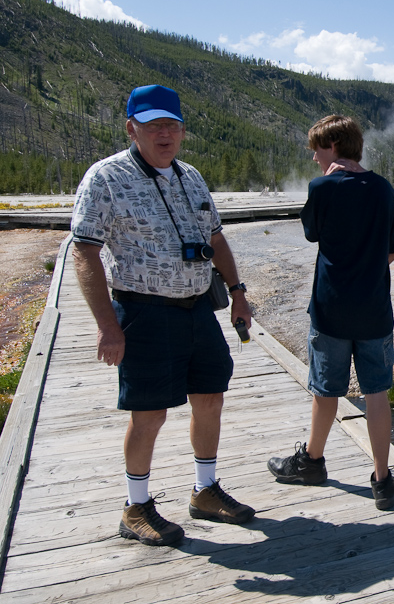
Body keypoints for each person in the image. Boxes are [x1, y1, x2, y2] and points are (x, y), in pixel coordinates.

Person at [70, 85, 255, 547]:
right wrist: (107, 326)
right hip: (143, 312)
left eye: (171, 124)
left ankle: (205, 491)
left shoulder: (190, 176)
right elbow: (85, 251)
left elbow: (215, 239)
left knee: (210, 397)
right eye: (153, 125)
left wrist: (237, 293)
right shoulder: (105, 177)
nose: (164, 133)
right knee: (149, 412)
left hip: (198, 311)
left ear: (182, 131)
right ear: (132, 128)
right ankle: (135, 506)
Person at [268, 114, 394, 512]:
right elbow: (393, 250)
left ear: (335, 146)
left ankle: (312, 463)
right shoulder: (383, 189)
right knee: (375, 393)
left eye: (317, 147)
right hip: (374, 310)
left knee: (325, 389)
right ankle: (382, 481)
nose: (313, 156)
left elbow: (313, 233)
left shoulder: (322, 188)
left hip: (329, 309)